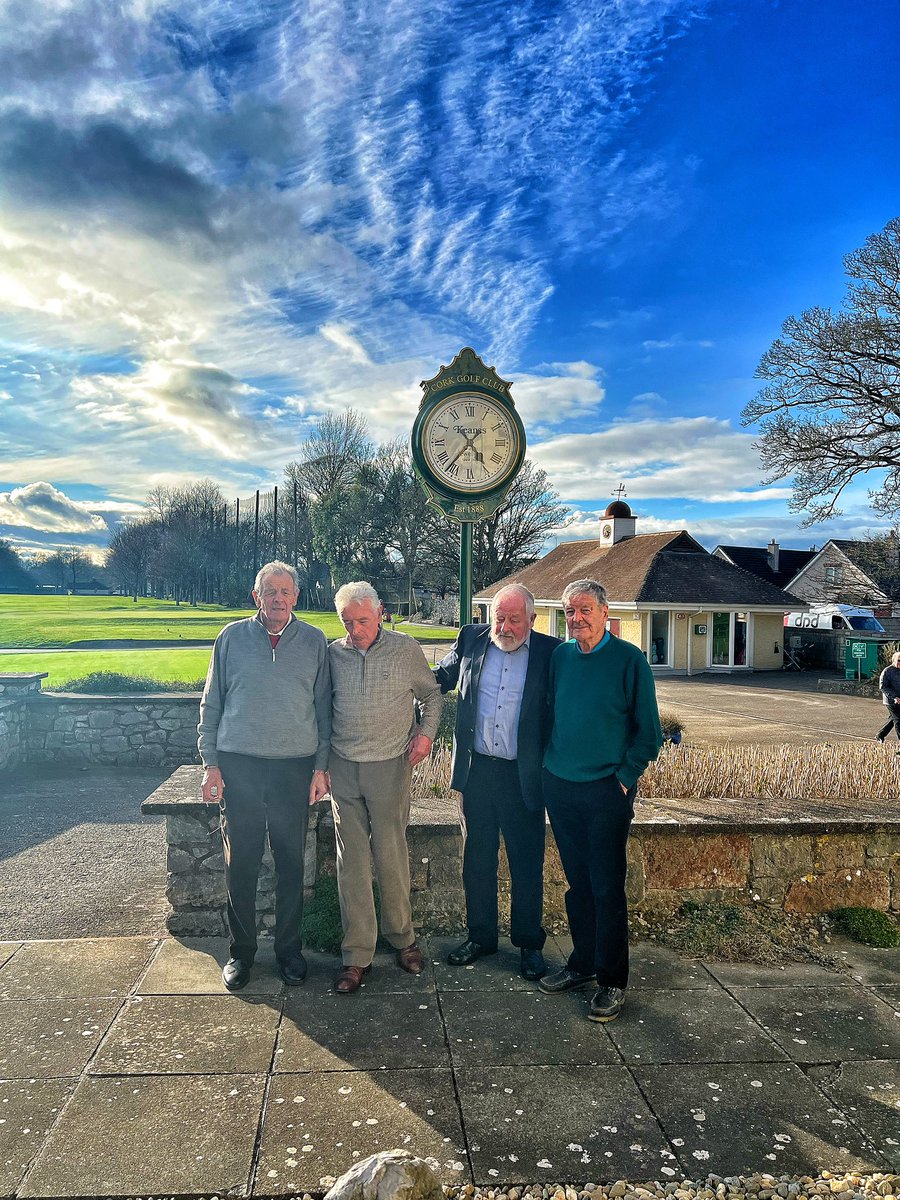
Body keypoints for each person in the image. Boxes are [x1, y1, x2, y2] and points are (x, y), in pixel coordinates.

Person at [198, 561, 331, 992]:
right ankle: (241, 954)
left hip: (294, 766)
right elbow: (212, 703)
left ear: (296, 597)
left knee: (291, 861)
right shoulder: (231, 638)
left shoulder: (314, 641)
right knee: (244, 862)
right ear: (256, 596)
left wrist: (321, 767)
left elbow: (325, 710)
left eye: (286, 591)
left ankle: (289, 952)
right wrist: (211, 763)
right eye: (270, 591)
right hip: (240, 765)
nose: (278, 599)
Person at [539, 578, 663, 1023]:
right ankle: (583, 962)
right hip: (561, 784)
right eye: (570, 611)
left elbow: (650, 734)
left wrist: (625, 779)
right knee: (578, 884)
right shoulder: (561, 658)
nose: (576, 619)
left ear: (605, 613)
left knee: (607, 886)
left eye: (585, 610)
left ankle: (612, 979)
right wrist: (547, 771)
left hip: (607, 790)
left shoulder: (630, 661)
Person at [434, 584, 560, 980]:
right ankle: (481, 937)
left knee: (526, 863)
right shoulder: (472, 638)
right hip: (477, 773)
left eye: (513, 620)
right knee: (477, 860)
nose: (503, 627)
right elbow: (440, 677)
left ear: (532, 620)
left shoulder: (551, 653)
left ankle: (528, 945)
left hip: (522, 775)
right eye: (498, 618)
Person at [328, 581, 443, 993]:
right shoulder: (332, 654)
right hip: (343, 768)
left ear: (379, 614)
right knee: (352, 863)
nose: (356, 629)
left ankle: (403, 939)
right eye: (348, 621)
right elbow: (322, 711)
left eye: (363, 619)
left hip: (390, 766)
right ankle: (356, 955)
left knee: (391, 853)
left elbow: (432, 695)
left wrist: (426, 735)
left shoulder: (404, 648)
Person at [876, 649, 900, 747]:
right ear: (893, 660)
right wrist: (894, 697)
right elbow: (883, 687)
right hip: (891, 701)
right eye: (899, 660)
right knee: (899, 720)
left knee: (893, 719)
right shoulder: (887, 671)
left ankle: (880, 735)